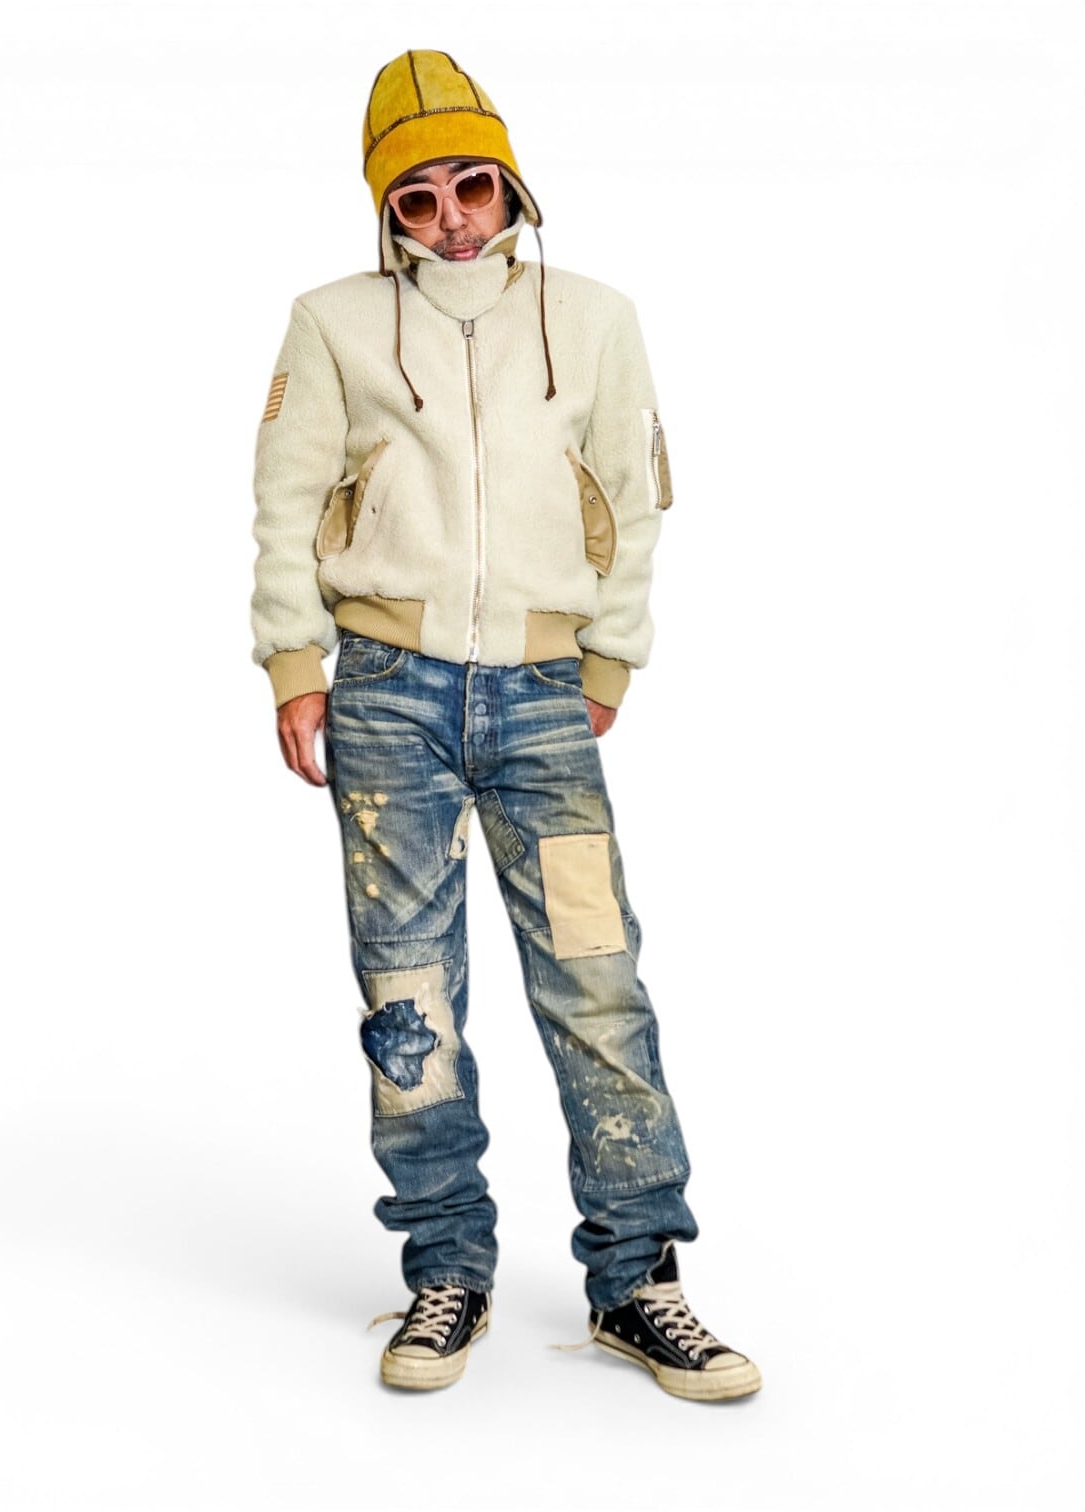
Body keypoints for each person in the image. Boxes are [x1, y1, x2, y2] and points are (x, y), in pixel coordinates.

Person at [248, 49, 760, 1402]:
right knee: (408, 988)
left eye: (473, 186)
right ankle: (444, 1267)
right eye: (417, 199)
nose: (453, 219)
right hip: (385, 694)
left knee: (597, 979)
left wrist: (610, 659)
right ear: (387, 212)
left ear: (514, 184)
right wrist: (295, 664)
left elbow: (635, 497)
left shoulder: (592, 318)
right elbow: (286, 499)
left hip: (542, 700)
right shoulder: (332, 323)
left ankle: (639, 1277)